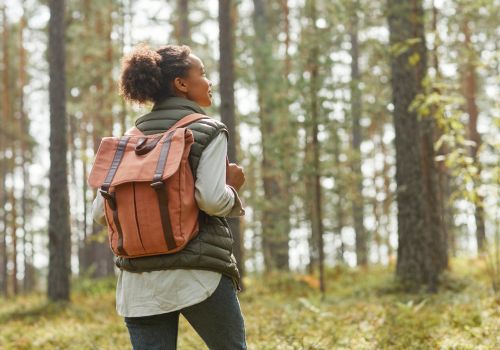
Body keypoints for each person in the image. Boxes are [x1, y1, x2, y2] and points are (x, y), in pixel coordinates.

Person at [91, 44, 247, 350]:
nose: (208, 81)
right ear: (181, 84)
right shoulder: (207, 130)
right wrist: (233, 187)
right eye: (202, 74)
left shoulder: (127, 141)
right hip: (198, 275)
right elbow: (212, 201)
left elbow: (100, 212)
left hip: (139, 284)